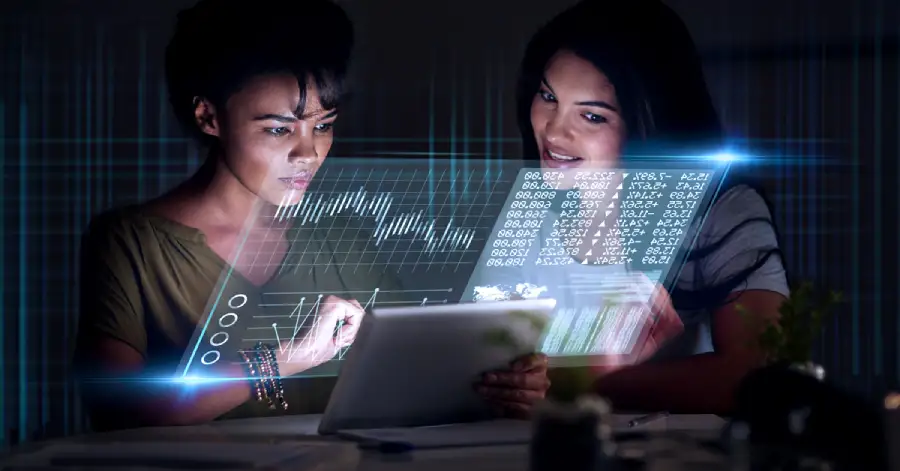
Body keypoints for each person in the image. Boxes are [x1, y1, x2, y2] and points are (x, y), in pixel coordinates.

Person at [474, 0, 788, 415]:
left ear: (648, 124)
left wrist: (589, 381)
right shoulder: (527, 211)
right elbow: (493, 370)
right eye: (549, 97)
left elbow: (757, 375)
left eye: (592, 116)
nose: (553, 129)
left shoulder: (721, 210)